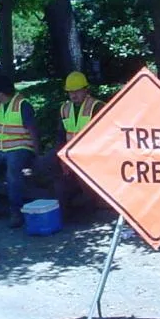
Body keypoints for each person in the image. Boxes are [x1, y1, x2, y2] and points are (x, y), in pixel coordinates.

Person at [0, 71, 39, 228]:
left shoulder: (23, 105)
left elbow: (33, 130)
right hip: (0, 148)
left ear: (1, 93)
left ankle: (16, 211)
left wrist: (37, 153)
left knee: (13, 172)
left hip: (21, 147)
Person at [55, 71, 104, 218]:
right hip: (70, 154)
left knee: (83, 180)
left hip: (91, 156)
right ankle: (65, 211)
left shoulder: (97, 107)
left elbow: (104, 137)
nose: (73, 95)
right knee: (53, 173)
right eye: (70, 92)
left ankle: (90, 211)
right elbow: (60, 136)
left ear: (86, 90)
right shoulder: (65, 108)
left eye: (77, 91)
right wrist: (62, 158)